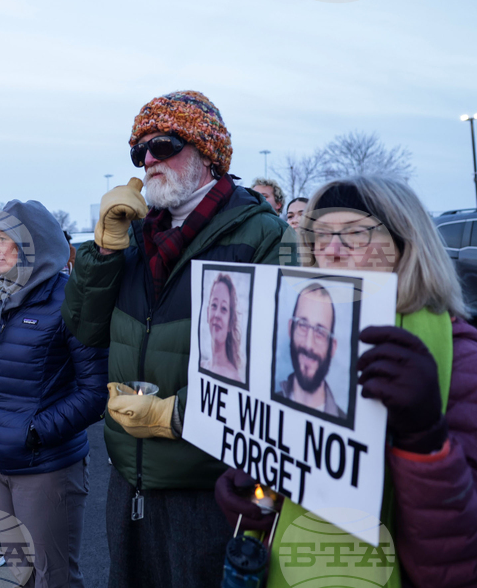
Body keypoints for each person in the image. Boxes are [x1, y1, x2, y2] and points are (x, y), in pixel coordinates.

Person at [61, 90, 287, 586]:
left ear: (207, 155)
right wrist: (102, 250)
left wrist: (179, 415)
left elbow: (272, 365)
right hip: (129, 477)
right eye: (137, 150)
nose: (147, 160)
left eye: (162, 145)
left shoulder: (263, 234)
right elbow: (85, 328)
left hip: (207, 483)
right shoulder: (136, 233)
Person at [216, 177, 477, 587]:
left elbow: (458, 563)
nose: (331, 252)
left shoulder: (460, 358)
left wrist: (425, 439)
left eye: (355, 234)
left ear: (407, 246)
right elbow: (286, 487)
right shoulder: (294, 337)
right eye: (320, 236)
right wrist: (255, 494)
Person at [0, 200, 108, 587]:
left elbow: (96, 392)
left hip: (46, 467)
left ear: (33, 245)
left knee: (52, 577)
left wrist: (33, 431)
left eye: (2, 240)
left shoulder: (71, 300)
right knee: (18, 574)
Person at [275, 282, 346, 419]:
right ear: (291, 329)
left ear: (333, 347)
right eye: (302, 325)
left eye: (320, 332)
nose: (309, 344)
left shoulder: (344, 421)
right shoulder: (265, 403)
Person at [200, 273, 245, 384]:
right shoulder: (201, 366)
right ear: (207, 313)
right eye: (214, 305)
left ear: (230, 322)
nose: (217, 315)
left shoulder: (234, 379)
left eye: (224, 309)